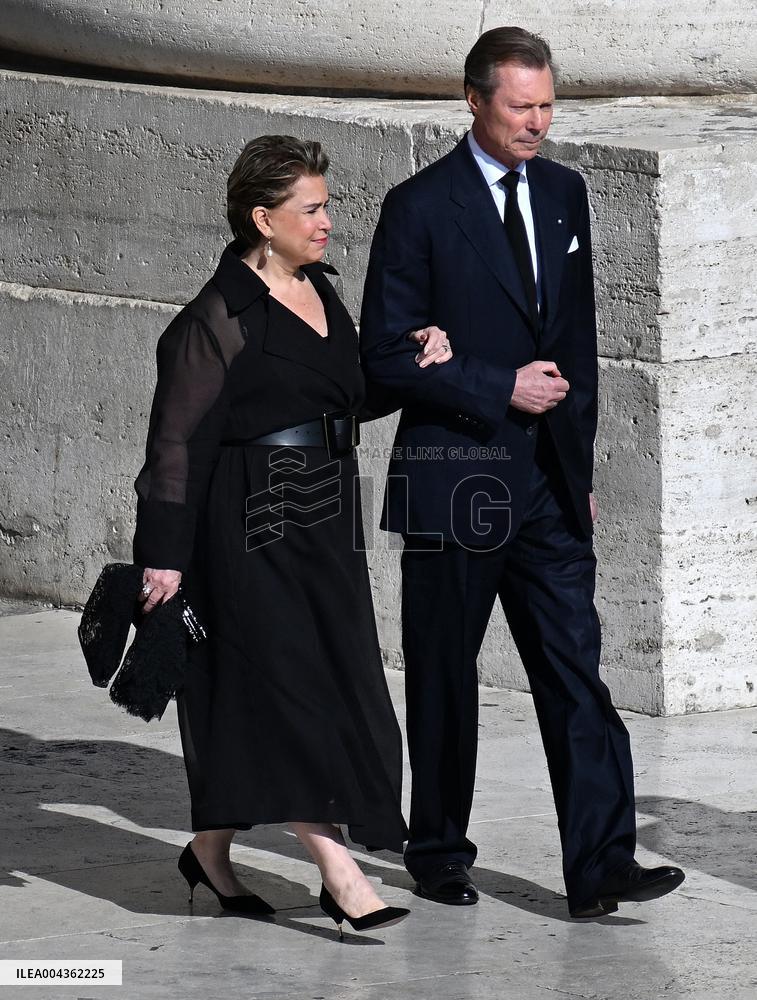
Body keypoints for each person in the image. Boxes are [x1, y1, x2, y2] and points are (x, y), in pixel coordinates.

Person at [359, 27, 685, 918]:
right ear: (473, 100)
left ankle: (601, 864)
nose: (537, 122)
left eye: (546, 105)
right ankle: (436, 853)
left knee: (575, 671)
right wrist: (495, 384)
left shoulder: (566, 193)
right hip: (453, 471)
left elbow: (573, 339)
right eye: (520, 106)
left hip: (544, 482)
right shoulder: (418, 207)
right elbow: (382, 355)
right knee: (443, 674)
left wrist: (575, 461)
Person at [132, 134, 452, 936]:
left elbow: (340, 395)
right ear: (261, 217)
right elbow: (174, 443)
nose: (326, 223)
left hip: (323, 515)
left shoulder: (320, 292)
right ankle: (339, 874)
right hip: (245, 522)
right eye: (311, 210)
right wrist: (164, 558)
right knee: (288, 690)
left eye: (326, 206)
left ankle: (207, 851)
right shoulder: (215, 319)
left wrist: (416, 357)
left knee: (326, 679)